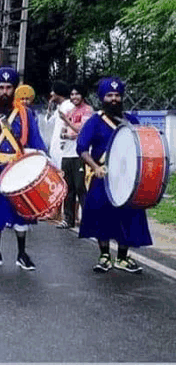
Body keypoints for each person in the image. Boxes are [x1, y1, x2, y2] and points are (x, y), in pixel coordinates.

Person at [0, 67, 47, 271]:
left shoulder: (27, 114)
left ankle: (22, 254)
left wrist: (45, 161)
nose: (5, 91)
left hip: (19, 170)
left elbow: (36, 141)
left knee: (21, 212)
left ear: (14, 89)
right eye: (1, 88)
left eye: (9, 88)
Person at [78, 78, 151, 273]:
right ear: (102, 98)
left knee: (127, 215)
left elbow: (142, 148)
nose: (113, 99)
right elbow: (82, 148)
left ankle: (122, 258)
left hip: (128, 179)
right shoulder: (94, 122)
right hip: (103, 174)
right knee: (102, 215)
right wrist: (95, 167)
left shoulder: (131, 121)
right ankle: (104, 256)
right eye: (109, 95)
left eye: (117, 95)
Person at [56, 83, 93, 229]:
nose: (74, 97)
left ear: (82, 95)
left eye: (77, 94)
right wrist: (65, 132)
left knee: (80, 187)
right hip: (67, 153)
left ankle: (89, 220)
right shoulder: (70, 111)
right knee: (67, 187)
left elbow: (81, 130)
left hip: (79, 153)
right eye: (72, 94)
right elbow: (64, 132)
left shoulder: (87, 111)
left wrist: (66, 121)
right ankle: (68, 219)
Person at [45, 81, 74, 169]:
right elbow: (48, 122)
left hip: (65, 149)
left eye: (53, 91)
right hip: (56, 149)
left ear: (59, 92)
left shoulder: (70, 106)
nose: (51, 94)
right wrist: (49, 108)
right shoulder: (59, 107)